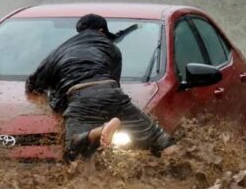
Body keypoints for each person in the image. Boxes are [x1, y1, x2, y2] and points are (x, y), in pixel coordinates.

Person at [26, 13, 173, 160]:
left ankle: (99, 131)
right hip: (111, 92)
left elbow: (32, 85)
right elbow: (115, 83)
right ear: (102, 32)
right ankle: (184, 166)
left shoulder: (58, 52)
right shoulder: (112, 48)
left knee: (72, 151)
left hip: (81, 97)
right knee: (159, 138)